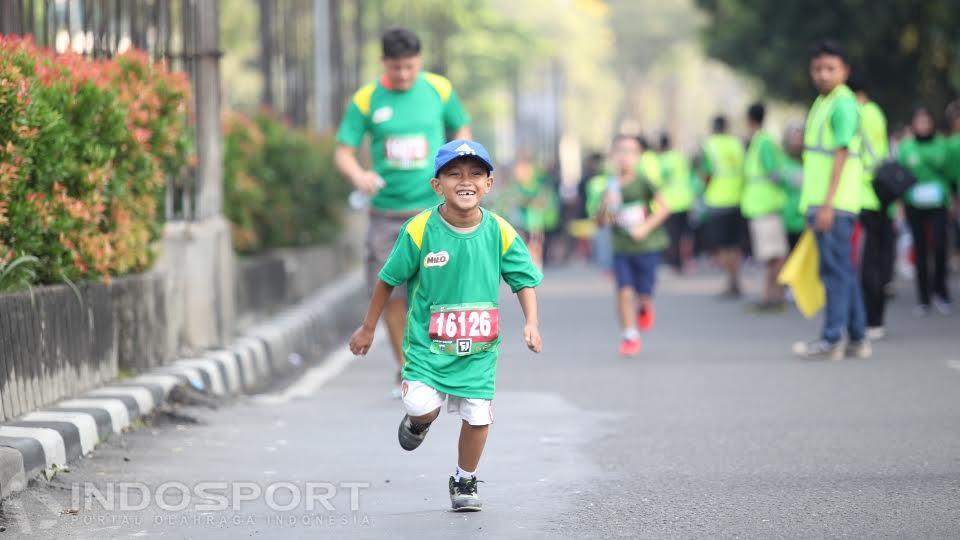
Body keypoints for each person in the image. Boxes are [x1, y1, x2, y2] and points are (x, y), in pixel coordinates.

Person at [348, 140, 543, 512]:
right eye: (454, 174)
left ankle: (464, 478)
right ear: (437, 185)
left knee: (478, 414)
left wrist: (531, 322)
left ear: (489, 184)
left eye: (475, 174)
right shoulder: (420, 230)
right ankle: (419, 423)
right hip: (427, 348)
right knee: (421, 407)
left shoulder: (501, 232)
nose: (465, 181)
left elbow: (523, 280)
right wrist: (368, 327)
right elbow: (388, 280)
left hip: (479, 350)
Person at [335, 28, 472, 394]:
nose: (404, 75)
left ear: (419, 62)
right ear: (384, 64)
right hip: (386, 215)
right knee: (391, 294)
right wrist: (359, 175)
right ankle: (408, 370)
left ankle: (437, 364)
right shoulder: (366, 100)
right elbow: (344, 151)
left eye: (410, 67)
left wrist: (460, 161)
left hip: (434, 213)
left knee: (435, 293)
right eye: (396, 68)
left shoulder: (439, 90)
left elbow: (461, 126)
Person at [792, 40, 869, 360]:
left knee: (835, 273)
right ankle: (856, 337)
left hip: (834, 205)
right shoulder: (823, 103)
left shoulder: (842, 104)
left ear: (845, 71)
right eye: (817, 69)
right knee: (843, 272)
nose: (822, 75)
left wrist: (827, 204)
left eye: (830, 69)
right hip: (825, 203)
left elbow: (841, 153)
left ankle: (831, 339)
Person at [596, 136, 671, 356]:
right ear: (613, 156)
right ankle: (629, 335)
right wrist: (605, 206)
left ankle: (645, 304)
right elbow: (601, 222)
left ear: (638, 157)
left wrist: (645, 227)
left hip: (647, 246)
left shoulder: (643, 182)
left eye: (630, 152)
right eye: (620, 151)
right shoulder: (609, 186)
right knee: (624, 292)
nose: (625, 156)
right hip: (622, 248)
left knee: (643, 293)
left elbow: (664, 208)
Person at [849, 74, 894, 338]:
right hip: (881, 194)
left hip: (864, 194)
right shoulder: (876, 112)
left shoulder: (857, 113)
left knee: (867, 264)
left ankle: (871, 319)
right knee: (877, 260)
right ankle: (876, 320)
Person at [897, 105, 952, 315]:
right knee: (919, 250)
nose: (923, 125)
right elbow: (901, 177)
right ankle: (923, 298)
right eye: (918, 121)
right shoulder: (906, 147)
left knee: (939, 246)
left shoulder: (943, 145)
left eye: (926, 121)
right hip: (914, 203)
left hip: (938, 203)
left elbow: (951, 174)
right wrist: (901, 205)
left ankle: (941, 292)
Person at [741, 103, 788, 311]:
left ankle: (772, 296)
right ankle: (771, 296)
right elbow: (774, 173)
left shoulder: (760, 142)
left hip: (762, 205)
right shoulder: (763, 141)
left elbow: (771, 172)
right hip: (764, 205)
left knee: (773, 255)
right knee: (774, 255)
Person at [699, 115, 746, 298]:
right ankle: (735, 281)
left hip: (717, 201)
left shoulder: (709, 145)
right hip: (737, 199)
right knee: (734, 245)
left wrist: (704, 188)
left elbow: (706, 173)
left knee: (722, 246)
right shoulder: (736, 144)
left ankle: (730, 281)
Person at [658, 133, 696, 274]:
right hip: (686, 199)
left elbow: (660, 180)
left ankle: (675, 264)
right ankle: (687, 262)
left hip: (670, 202)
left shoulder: (662, 160)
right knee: (684, 235)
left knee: (671, 236)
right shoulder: (680, 157)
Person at [778, 122, 807, 251]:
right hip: (786, 221)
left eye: (800, 138)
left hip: (807, 221)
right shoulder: (781, 161)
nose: (797, 142)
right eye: (794, 138)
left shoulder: (810, 161)